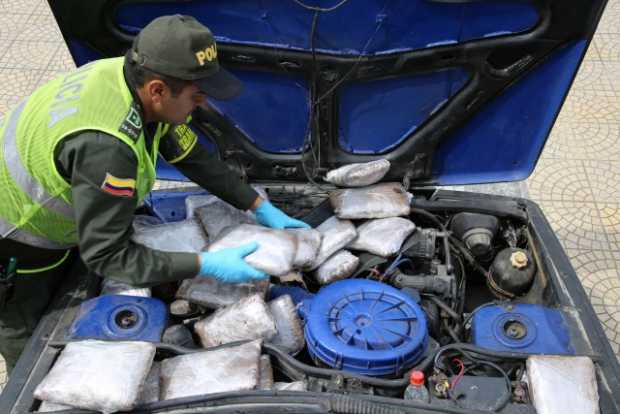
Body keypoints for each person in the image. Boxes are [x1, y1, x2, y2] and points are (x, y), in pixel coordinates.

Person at [0, 14, 309, 373]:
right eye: (197, 96)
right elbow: (109, 258)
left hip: (60, 204)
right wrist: (204, 265)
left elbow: (192, 156)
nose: (203, 104)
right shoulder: (107, 149)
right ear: (158, 90)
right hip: (20, 239)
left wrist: (258, 205)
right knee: (28, 333)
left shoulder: (132, 77)